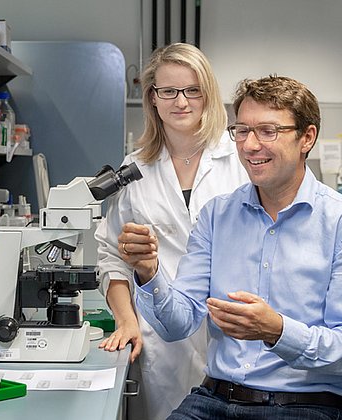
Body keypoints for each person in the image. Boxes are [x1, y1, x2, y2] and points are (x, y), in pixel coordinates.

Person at [119, 75, 342, 420]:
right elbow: (177, 324)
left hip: (301, 407)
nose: (250, 145)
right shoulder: (217, 216)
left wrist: (278, 330)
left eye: (268, 131)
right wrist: (148, 271)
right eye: (242, 131)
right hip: (213, 398)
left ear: (307, 137)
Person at [94, 43, 249, 420]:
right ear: (153, 98)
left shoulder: (240, 158)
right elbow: (110, 253)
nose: (181, 101)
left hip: (231, 331)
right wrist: (126, 319)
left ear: (208, 94)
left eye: (192, 90)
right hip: (160, 340)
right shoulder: (136, 167)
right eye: (168, 91)